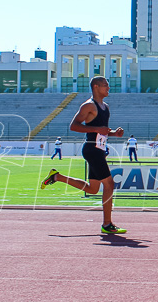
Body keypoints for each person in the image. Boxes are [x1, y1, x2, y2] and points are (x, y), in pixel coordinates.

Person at [40, 76, 126, 234]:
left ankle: (56, 177)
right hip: (92, 150)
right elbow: (73, 126)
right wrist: (96, 130)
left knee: (93, 189)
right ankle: (107, 224)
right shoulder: (88, 106)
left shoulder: (105, 107)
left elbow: (101, 130)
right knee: (109, 184)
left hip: (99, 149)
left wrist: (114, 134)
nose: (108, 88)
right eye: (105, 86)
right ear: (96, 87)